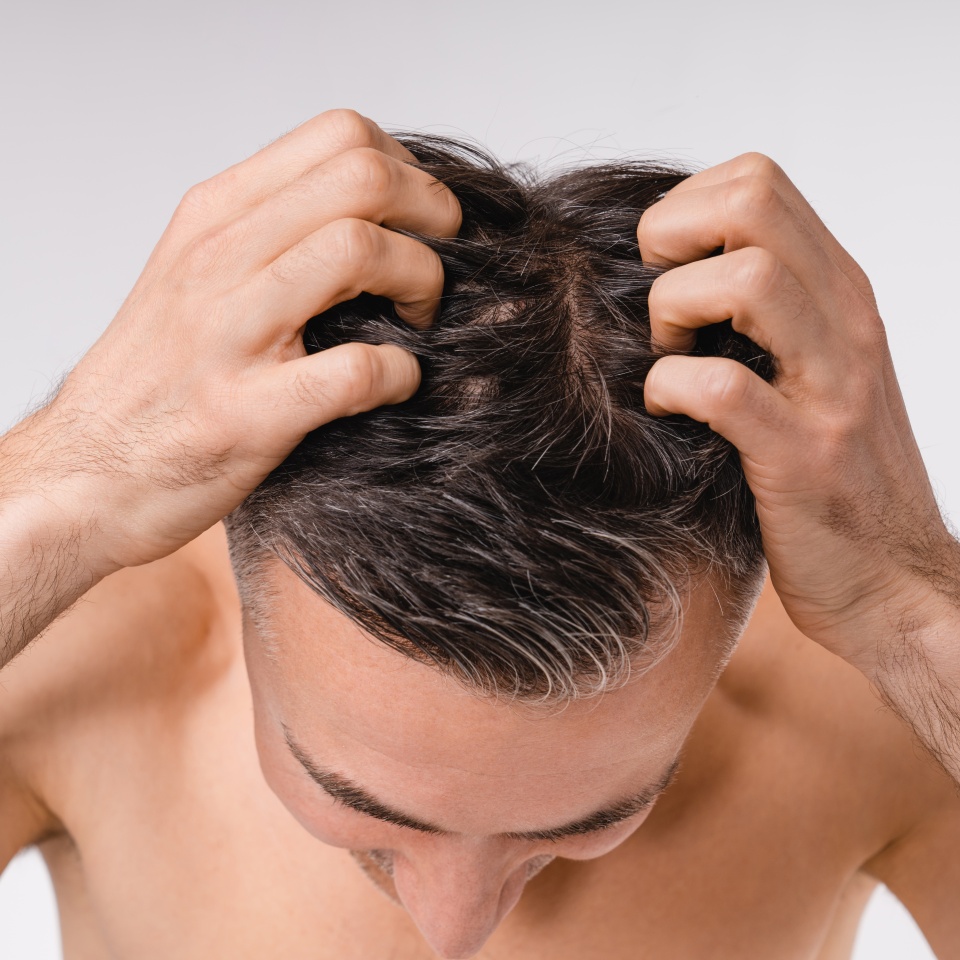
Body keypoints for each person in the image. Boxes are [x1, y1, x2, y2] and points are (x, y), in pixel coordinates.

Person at [0, 109, 958, 960]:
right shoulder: (83, 673)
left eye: (587, 824)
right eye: (359, 807)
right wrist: (60, 485)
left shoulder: (878, 718)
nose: (457, 929)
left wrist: (914, 613)